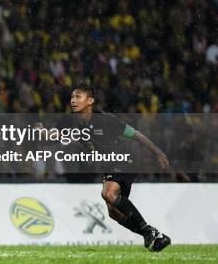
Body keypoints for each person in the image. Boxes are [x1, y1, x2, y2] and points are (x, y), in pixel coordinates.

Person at [66, 85, 171, 252]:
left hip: (125, 159)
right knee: (113, 212)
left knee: (108, 193)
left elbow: (135, 134)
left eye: (78, 96)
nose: (73, 100)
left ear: (90, 101)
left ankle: (149, 231)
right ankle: (151, 235)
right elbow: (67, 137)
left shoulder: (106, 120)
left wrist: (157, 152)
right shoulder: (77, 123)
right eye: (72, 97)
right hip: (110, 165)